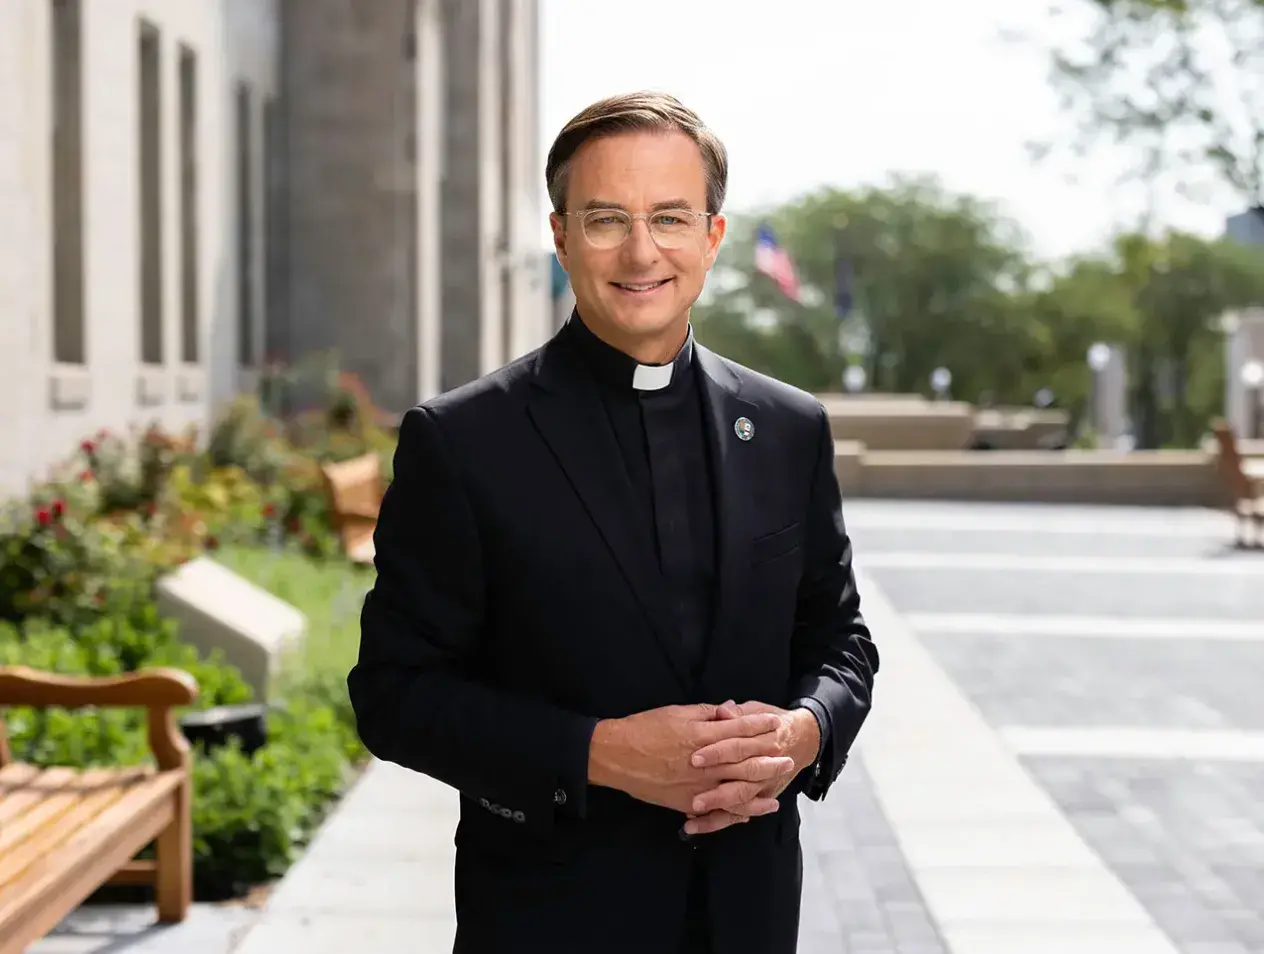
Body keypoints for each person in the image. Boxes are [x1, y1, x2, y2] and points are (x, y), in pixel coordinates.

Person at [348, 90, 879, 954]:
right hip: (549, 920)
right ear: (560, 236)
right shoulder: (463, 441)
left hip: (747, 915)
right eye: (606, 220)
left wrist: (804, 731)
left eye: (671, 217)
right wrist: (598, 753)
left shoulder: (788, 428)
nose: (641, 251)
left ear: (712, 237)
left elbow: (839, 638)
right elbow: (395, 695)